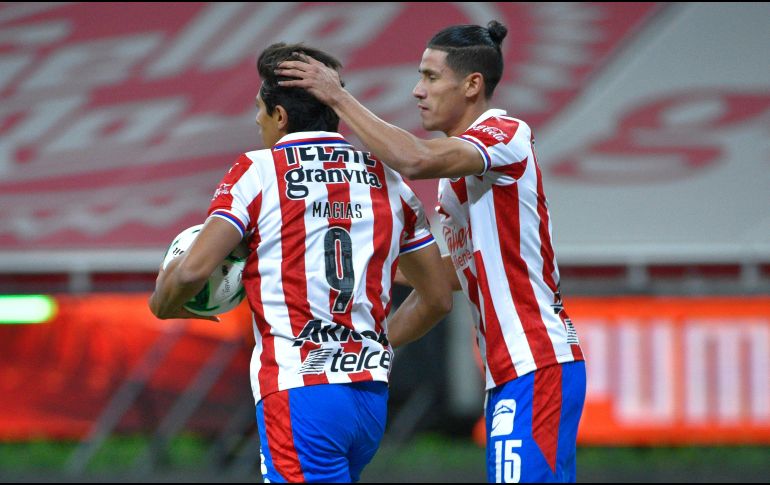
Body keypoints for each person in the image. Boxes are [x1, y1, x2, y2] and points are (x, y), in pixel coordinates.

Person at [277, 21, 586, 483]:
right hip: (510, 371)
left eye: (431, 77)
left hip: (537, 361)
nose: (418, 91)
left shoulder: (505, 132)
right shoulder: (456, 179)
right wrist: (368, 332)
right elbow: (454, 275)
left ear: (472, 85)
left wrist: (337, 97)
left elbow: (414, 159)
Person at [148, 42, 452, 483]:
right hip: (369, 398)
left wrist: (163, 302)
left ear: (280, 116)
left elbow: (194, 269)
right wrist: (374, 345)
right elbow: (438, 298)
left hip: (300, 391)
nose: (256, 120)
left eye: (259, 109)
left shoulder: (259, 171)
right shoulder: (391, 180)